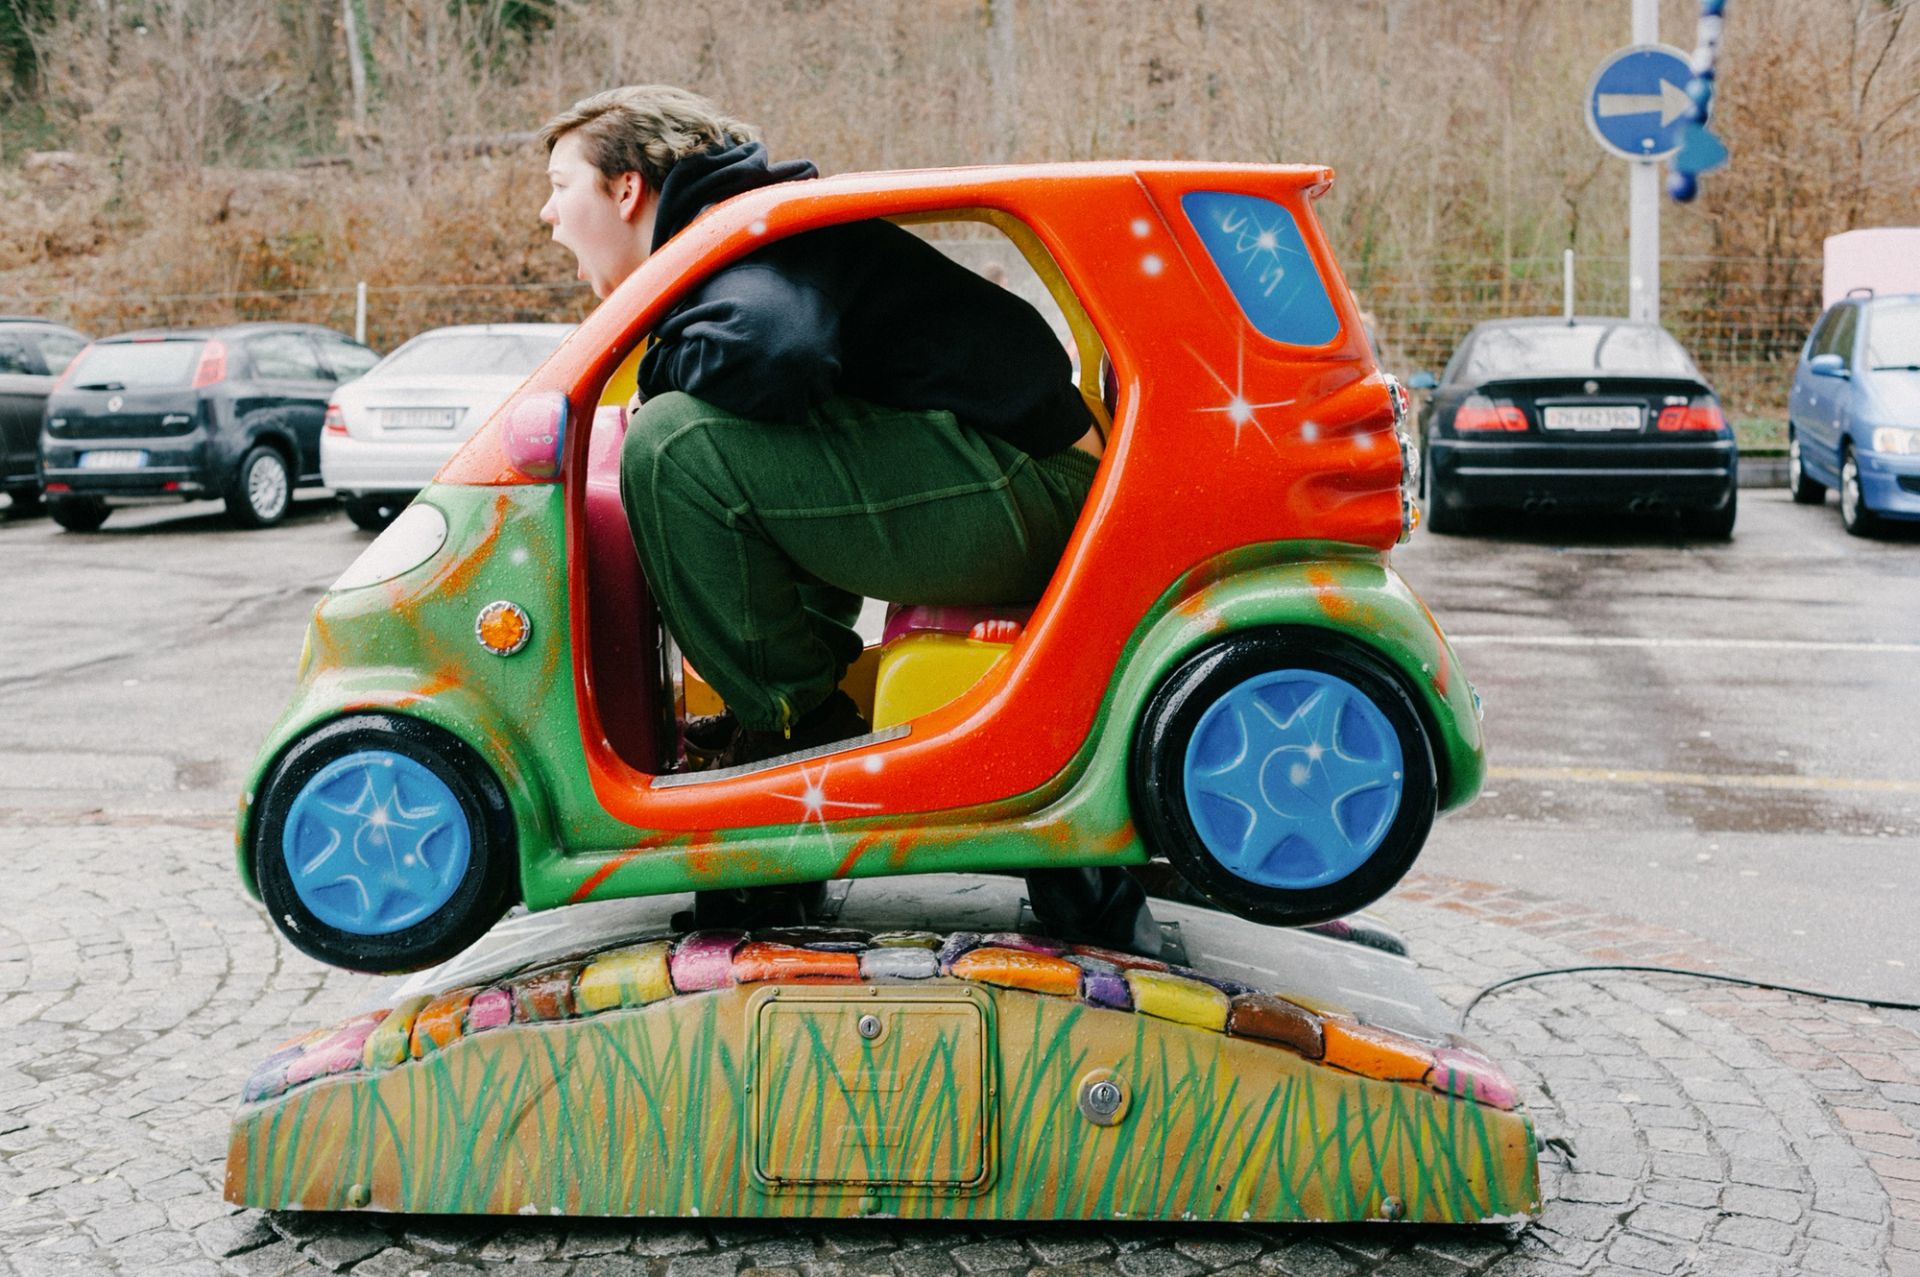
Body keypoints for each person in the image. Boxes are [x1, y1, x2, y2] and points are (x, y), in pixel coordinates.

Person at [538, 85, 1158, 954]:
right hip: (1017, 478)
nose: (548, 213)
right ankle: (793, 717)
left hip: (1036, 490)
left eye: (562, 185)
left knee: (675, 445)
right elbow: (794, 415)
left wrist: (652, 371)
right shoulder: (739, 240)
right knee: (719, 429)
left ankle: (794, 731)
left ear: (627, 189)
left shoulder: (743, 244)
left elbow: (775, 353)